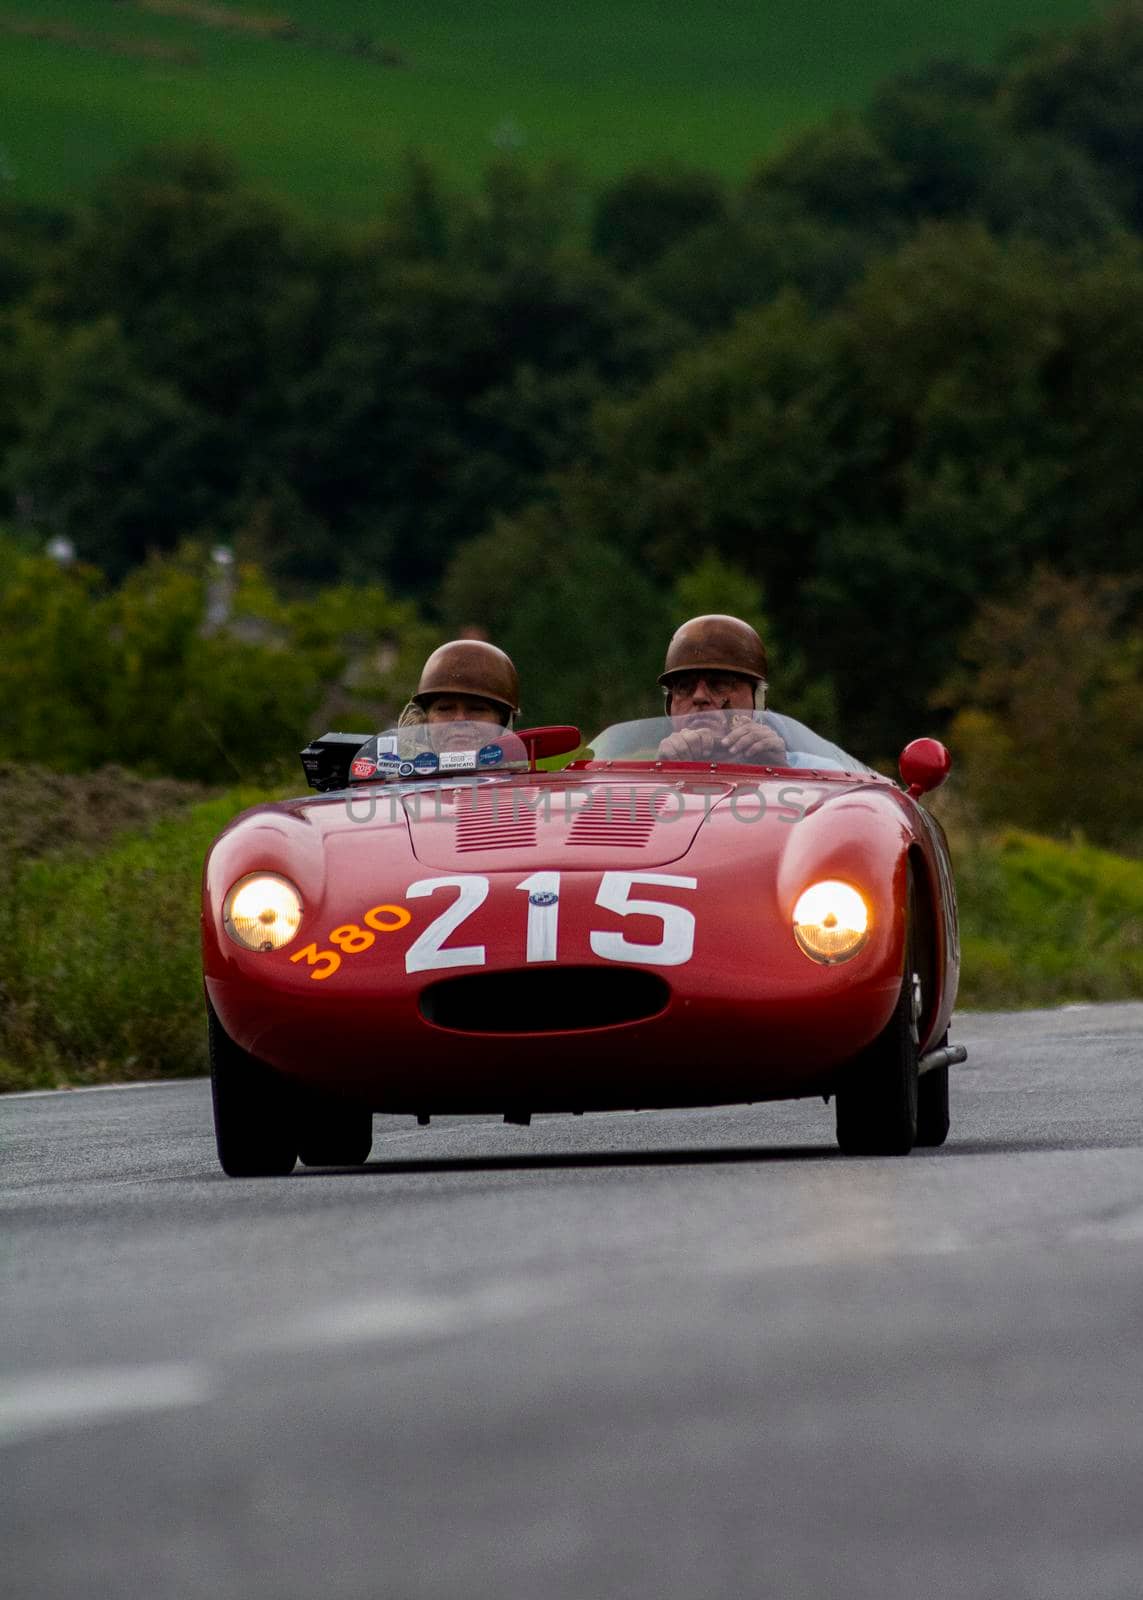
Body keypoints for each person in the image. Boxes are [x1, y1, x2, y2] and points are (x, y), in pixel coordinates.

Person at [657, 614, 787, 763]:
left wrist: (780, 773)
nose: (699, 696)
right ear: (669, 705)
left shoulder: (814, 770)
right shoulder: (635, 777)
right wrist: (662, 776)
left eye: (719, 684)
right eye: (684, 687)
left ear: (758, 701)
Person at [399, 639, 520, 753]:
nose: (460, 719)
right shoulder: (399, 773)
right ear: (425, 721)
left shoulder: (528, 775)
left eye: (477, 709)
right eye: (445, 708)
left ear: (503, 722)